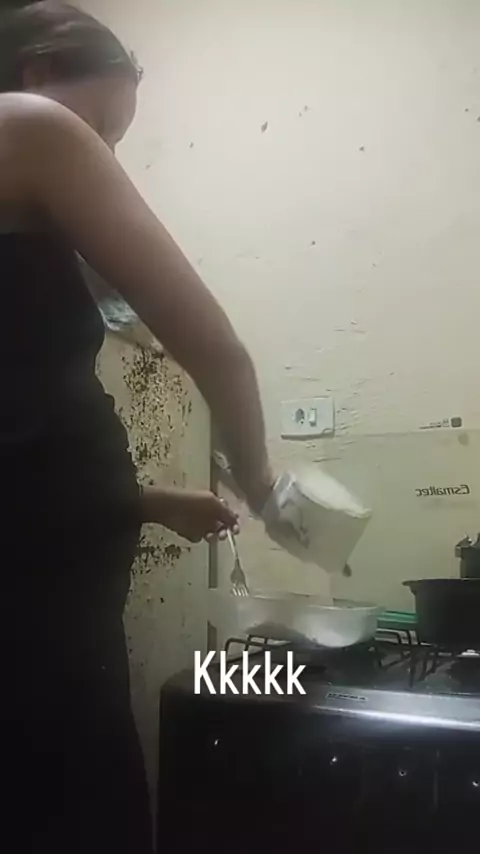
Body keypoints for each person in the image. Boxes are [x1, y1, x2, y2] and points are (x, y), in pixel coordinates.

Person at [0, 3, 274, 852]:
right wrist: (265, 482)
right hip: (44, 627)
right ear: (39, 75)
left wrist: (145, 500)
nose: (104, 158)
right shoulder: (28, 124)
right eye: (102, 129)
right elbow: (220, 351)